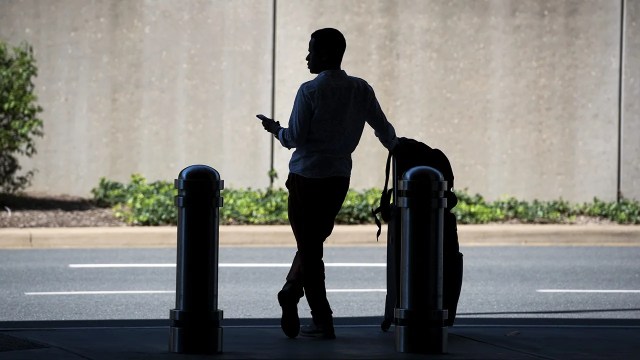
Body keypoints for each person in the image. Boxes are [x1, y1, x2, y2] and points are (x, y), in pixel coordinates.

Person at [257, 28, 398, 340]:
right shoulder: (361, 89)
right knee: (312, 245)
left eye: (311, 51)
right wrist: (402, 152)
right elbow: (384, 130)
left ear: (325, 54)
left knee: (310, 248)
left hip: (306, 178)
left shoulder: (309, 91)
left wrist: (275, 129)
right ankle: (292, 292)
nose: (307, 57)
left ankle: (321, 319)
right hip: (337, 179)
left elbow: (294, 138)